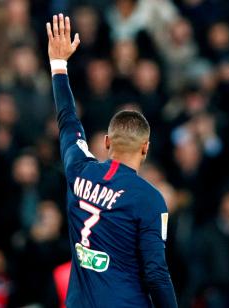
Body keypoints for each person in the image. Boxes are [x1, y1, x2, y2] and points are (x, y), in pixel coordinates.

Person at [47, 14, 177, 308]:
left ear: (106, 142)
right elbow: (156, 274)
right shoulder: (149, 199)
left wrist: (59, 66)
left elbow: (68, 121)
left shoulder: (78, 169)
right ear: (145, 148)